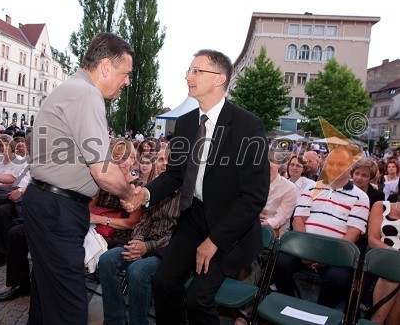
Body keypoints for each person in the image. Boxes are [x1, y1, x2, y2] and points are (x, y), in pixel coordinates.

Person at [123, 49, 270, 325]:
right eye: (189, 70)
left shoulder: (248, 126)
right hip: (193, 218)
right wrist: (146, 193)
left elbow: (254, 197)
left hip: (230, 227)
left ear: (219, 79)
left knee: (198, 299)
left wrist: (215, 241)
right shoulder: (187, 122)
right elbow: (175, 174)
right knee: (164, 284)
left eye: (196, 71)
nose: (188, 76)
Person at [21, 32, 135, 325]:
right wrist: (128, 194)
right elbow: (101, 170)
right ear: (106, 67)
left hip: (49, 204)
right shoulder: (87, 94)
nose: (127, 82)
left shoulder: (73, 88)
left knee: (47, 300)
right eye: (126, 73)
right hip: (58, 210)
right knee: (69, 309)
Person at [273, 147, 370, 308]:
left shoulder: (361, 197)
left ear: (350, 168)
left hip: (335, 253)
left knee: (338, 279)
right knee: (278, 261)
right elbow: (298, 219)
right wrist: (304, 249)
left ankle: (320, 313)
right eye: (331, 163)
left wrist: (328, 255)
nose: (334, 167)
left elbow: (353, 233)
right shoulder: (311, 188)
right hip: (304, 246)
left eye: (341, 164)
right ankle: (290, 306)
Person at [98, 146, 180, 325]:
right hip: (143, 243)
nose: (164, 163)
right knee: (106, 260)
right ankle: (115, 320)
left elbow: (179, 234)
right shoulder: (153, 189)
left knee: (137, 271)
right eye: (160, 159)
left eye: (169, 159)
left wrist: (147, 247)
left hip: (166, 251)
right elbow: (142, 221)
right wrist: (137, 240)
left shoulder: (186, 194)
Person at [367, 199, 400, 324]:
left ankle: (376, 321)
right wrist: (394, 253)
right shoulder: (381, 206)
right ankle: (377, 320)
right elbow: (372, 239)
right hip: (383, 254)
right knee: (393, 266)